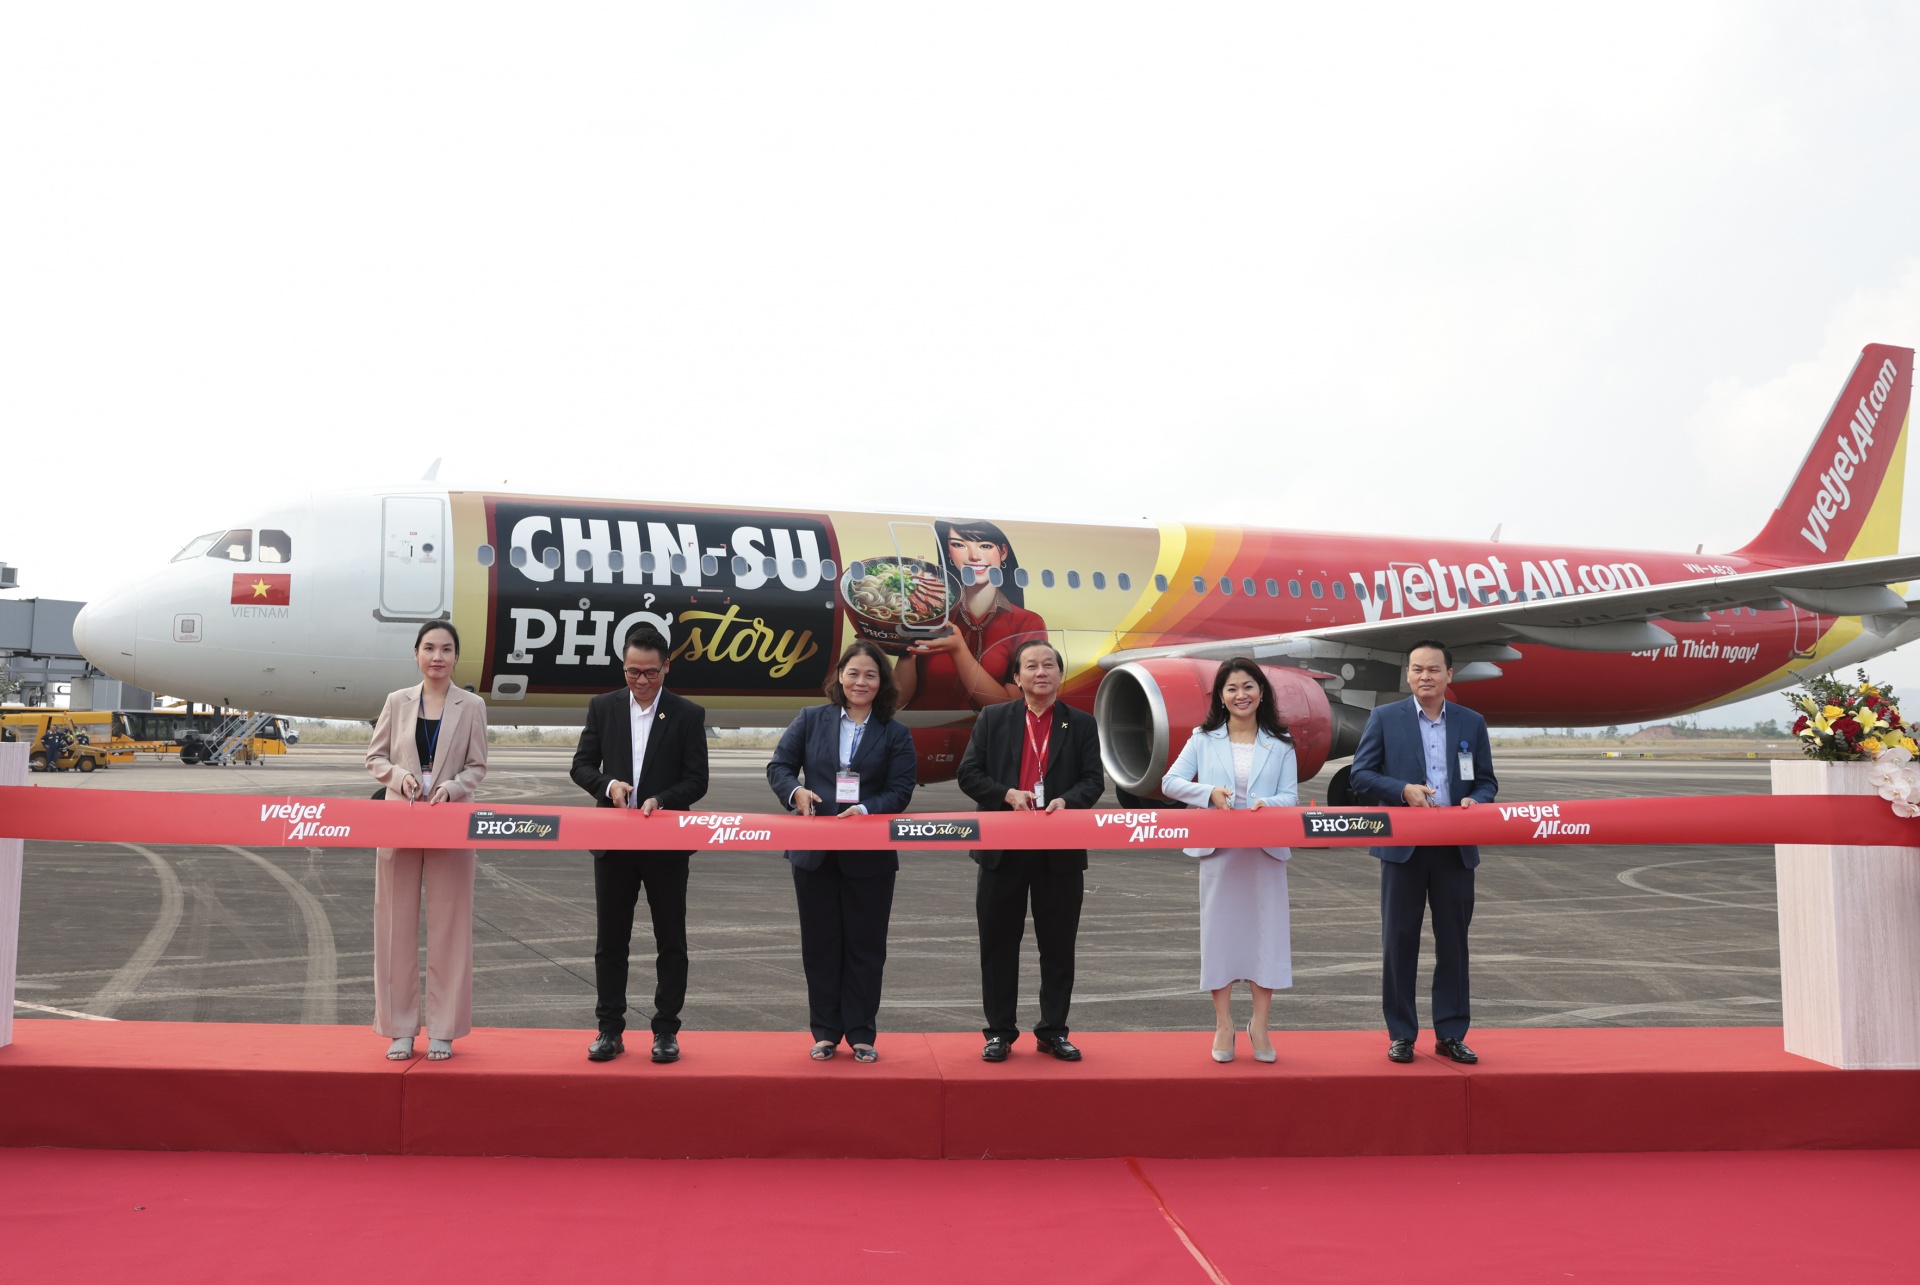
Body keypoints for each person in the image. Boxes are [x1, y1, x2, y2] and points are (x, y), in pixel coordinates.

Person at [766, 640, 917, 1062]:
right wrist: (795, 792)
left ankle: (862, 1033)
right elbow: (779, 767)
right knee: (820, 946)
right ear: (839, 677)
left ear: (882, 682)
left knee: (866, 947)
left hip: (869, 855)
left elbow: (901, 790)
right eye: (853, 673)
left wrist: (866, 809)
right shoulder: (810, 718)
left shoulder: (896, 732)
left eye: (870, 675)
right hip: (814, 852)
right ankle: (826, 1032)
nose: (860, 682)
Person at [1349, 639, 1498, 1065]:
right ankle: (1401, 1034)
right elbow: (1361, 774)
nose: (1425, 676)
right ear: (1408, 674)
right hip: (1404, 848)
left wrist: (1476, 801)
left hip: (1455, 848)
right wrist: (1402, 790)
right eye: (1417, 669)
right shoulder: (1385, 718)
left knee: (1454, 944)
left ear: (1449, 674)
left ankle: (1450, 1033)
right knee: (1399, 943)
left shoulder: (1471, 722)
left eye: (1433, 669)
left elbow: (1486, 780)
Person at [956, 638, 1104, 1062]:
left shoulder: (1080, 724)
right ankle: (999, 1032)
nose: (1041, 672)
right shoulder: (993, 718)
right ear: (1017, 678)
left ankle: (1053, 1031)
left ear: (1060, 674)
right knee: (998, 945)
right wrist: (1006, 794)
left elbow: (1093, 780)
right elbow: (968, 774)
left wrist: (1068, 801)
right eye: (1031, 666)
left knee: (1057, 947)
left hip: (1058, 852)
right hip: (1002, 849)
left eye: (1048, 665)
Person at [570, 624, 710, 1065]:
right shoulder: (604, 707)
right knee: (611, 941)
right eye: (633, 672)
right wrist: (608, 785)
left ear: (666, 667)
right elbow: (581, 765)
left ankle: (666, 1030)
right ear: (623, 667)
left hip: (666, 844)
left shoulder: (687, 714)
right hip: (613, 842)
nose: (642, 680)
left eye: (651, 672)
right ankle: (609, 1029)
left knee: (671, 940)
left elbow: (697, 780)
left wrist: (662, 800)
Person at [1160, 658, 1299, 1064]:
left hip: (1264, 852)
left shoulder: (1281, 743)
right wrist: (1207, 793)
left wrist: (1267, 804)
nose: (1241, 695)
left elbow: (1290, 797)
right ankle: (1223, 1024)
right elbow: (1170, 782)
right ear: (1220, 696)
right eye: (1232, 688)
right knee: (1220, 937)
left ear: (1262, 692)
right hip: (1219, 852)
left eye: (1249, 686)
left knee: (1265, 937)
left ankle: (1261, 1024)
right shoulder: (1203, 739)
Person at [365, 622, 489, 1061]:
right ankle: (399, 1027)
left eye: (447, 649)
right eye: (430, 648)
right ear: (416, 654)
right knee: (393, 924)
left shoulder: (472, 706)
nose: (438, 656)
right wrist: (400, 778)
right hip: (400, 820)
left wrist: (453, 787)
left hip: (450, 822)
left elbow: (477, 766)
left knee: (450, 924)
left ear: (456, 656)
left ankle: (444, 1028)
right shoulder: (396, 702)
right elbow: (375, 757)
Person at [893, 519, 1048, 712]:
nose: (974, 556)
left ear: (1003, 552)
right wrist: (909, 644)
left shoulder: (1027, 622)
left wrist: (959, 650)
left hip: (987, 731)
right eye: (959, 545)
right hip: (920, 728)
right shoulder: (934, 613)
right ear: (949, 553)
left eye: (985, 546)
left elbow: (1010, 709)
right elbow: (896, 702)